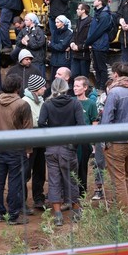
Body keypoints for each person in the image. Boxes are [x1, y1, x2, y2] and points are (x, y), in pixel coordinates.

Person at [38, 77, 85, 226]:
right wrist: (73, 142)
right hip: (68, 147)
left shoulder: (47, 104)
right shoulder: (74, 103)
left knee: (54, 180)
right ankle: (76, 212)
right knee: (71, 179)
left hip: (52, 147)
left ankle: (58, 215)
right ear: (66, 88)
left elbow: (40, 122)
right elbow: (81, 124)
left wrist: (50, 134)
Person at [0, 73, 34, 225]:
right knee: (15, 182)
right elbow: (28, 130)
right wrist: (28, 150)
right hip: (17, 148)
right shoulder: (22, 104)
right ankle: (14, 215)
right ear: (18, 87)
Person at [100, 62, 128, 210]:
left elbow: (106, 119)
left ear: (116, 74)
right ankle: (126, 208)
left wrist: (103, 142)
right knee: (124, 176)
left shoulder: (114, 92)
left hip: (116, 142)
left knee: (118, 179)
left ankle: (123, 214)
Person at [23, 74, 47, 212]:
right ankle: (22, 201)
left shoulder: (41, 101)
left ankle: (39, 198)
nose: (45, 88)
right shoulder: (25, 101)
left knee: (40, 171)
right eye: (43, 86)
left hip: (41, 142)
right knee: (26, 172)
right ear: (37, 88)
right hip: (30, 142)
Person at [73, 76, 99, 198]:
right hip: (71, 141)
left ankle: (81, 195)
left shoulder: (91, 104)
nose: (75, 88)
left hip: (84, 142)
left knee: (82, 168)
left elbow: (94, 122)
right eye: (74, 86)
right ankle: (70, 194)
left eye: (78, 86)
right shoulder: (71, 101)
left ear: (85, 88)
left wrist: (92, 143)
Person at [84, 0, 114, 91]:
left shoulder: (104, 15)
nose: (94, 1)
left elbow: (98, 31)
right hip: (96, 44)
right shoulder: (98, 13)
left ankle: (102, 85)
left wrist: (88, 41)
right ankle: (98, 84)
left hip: (101, 44)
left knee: (101, 66)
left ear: (100, 2)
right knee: (96, 66)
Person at [70, 2, 92, 79]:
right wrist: (72, 43)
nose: (77, 10)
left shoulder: (90, 22)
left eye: (79, 9)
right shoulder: (78, 21)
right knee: (73, 76)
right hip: (75, 54)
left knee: (83, 77)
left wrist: (79, 47)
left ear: (83, 10)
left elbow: (90, 38)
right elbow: (74, 34)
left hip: (84, 54)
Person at [48, 15, 73, 82]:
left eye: (58, 22)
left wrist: (52, 45)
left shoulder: (69, 33)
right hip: (54, 61)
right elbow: (50, 46)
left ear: (63, 23)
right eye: (55, 22)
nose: (56, 24)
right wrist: (53, 45)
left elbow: (61, 47)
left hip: (63, 61)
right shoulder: (54, 32)